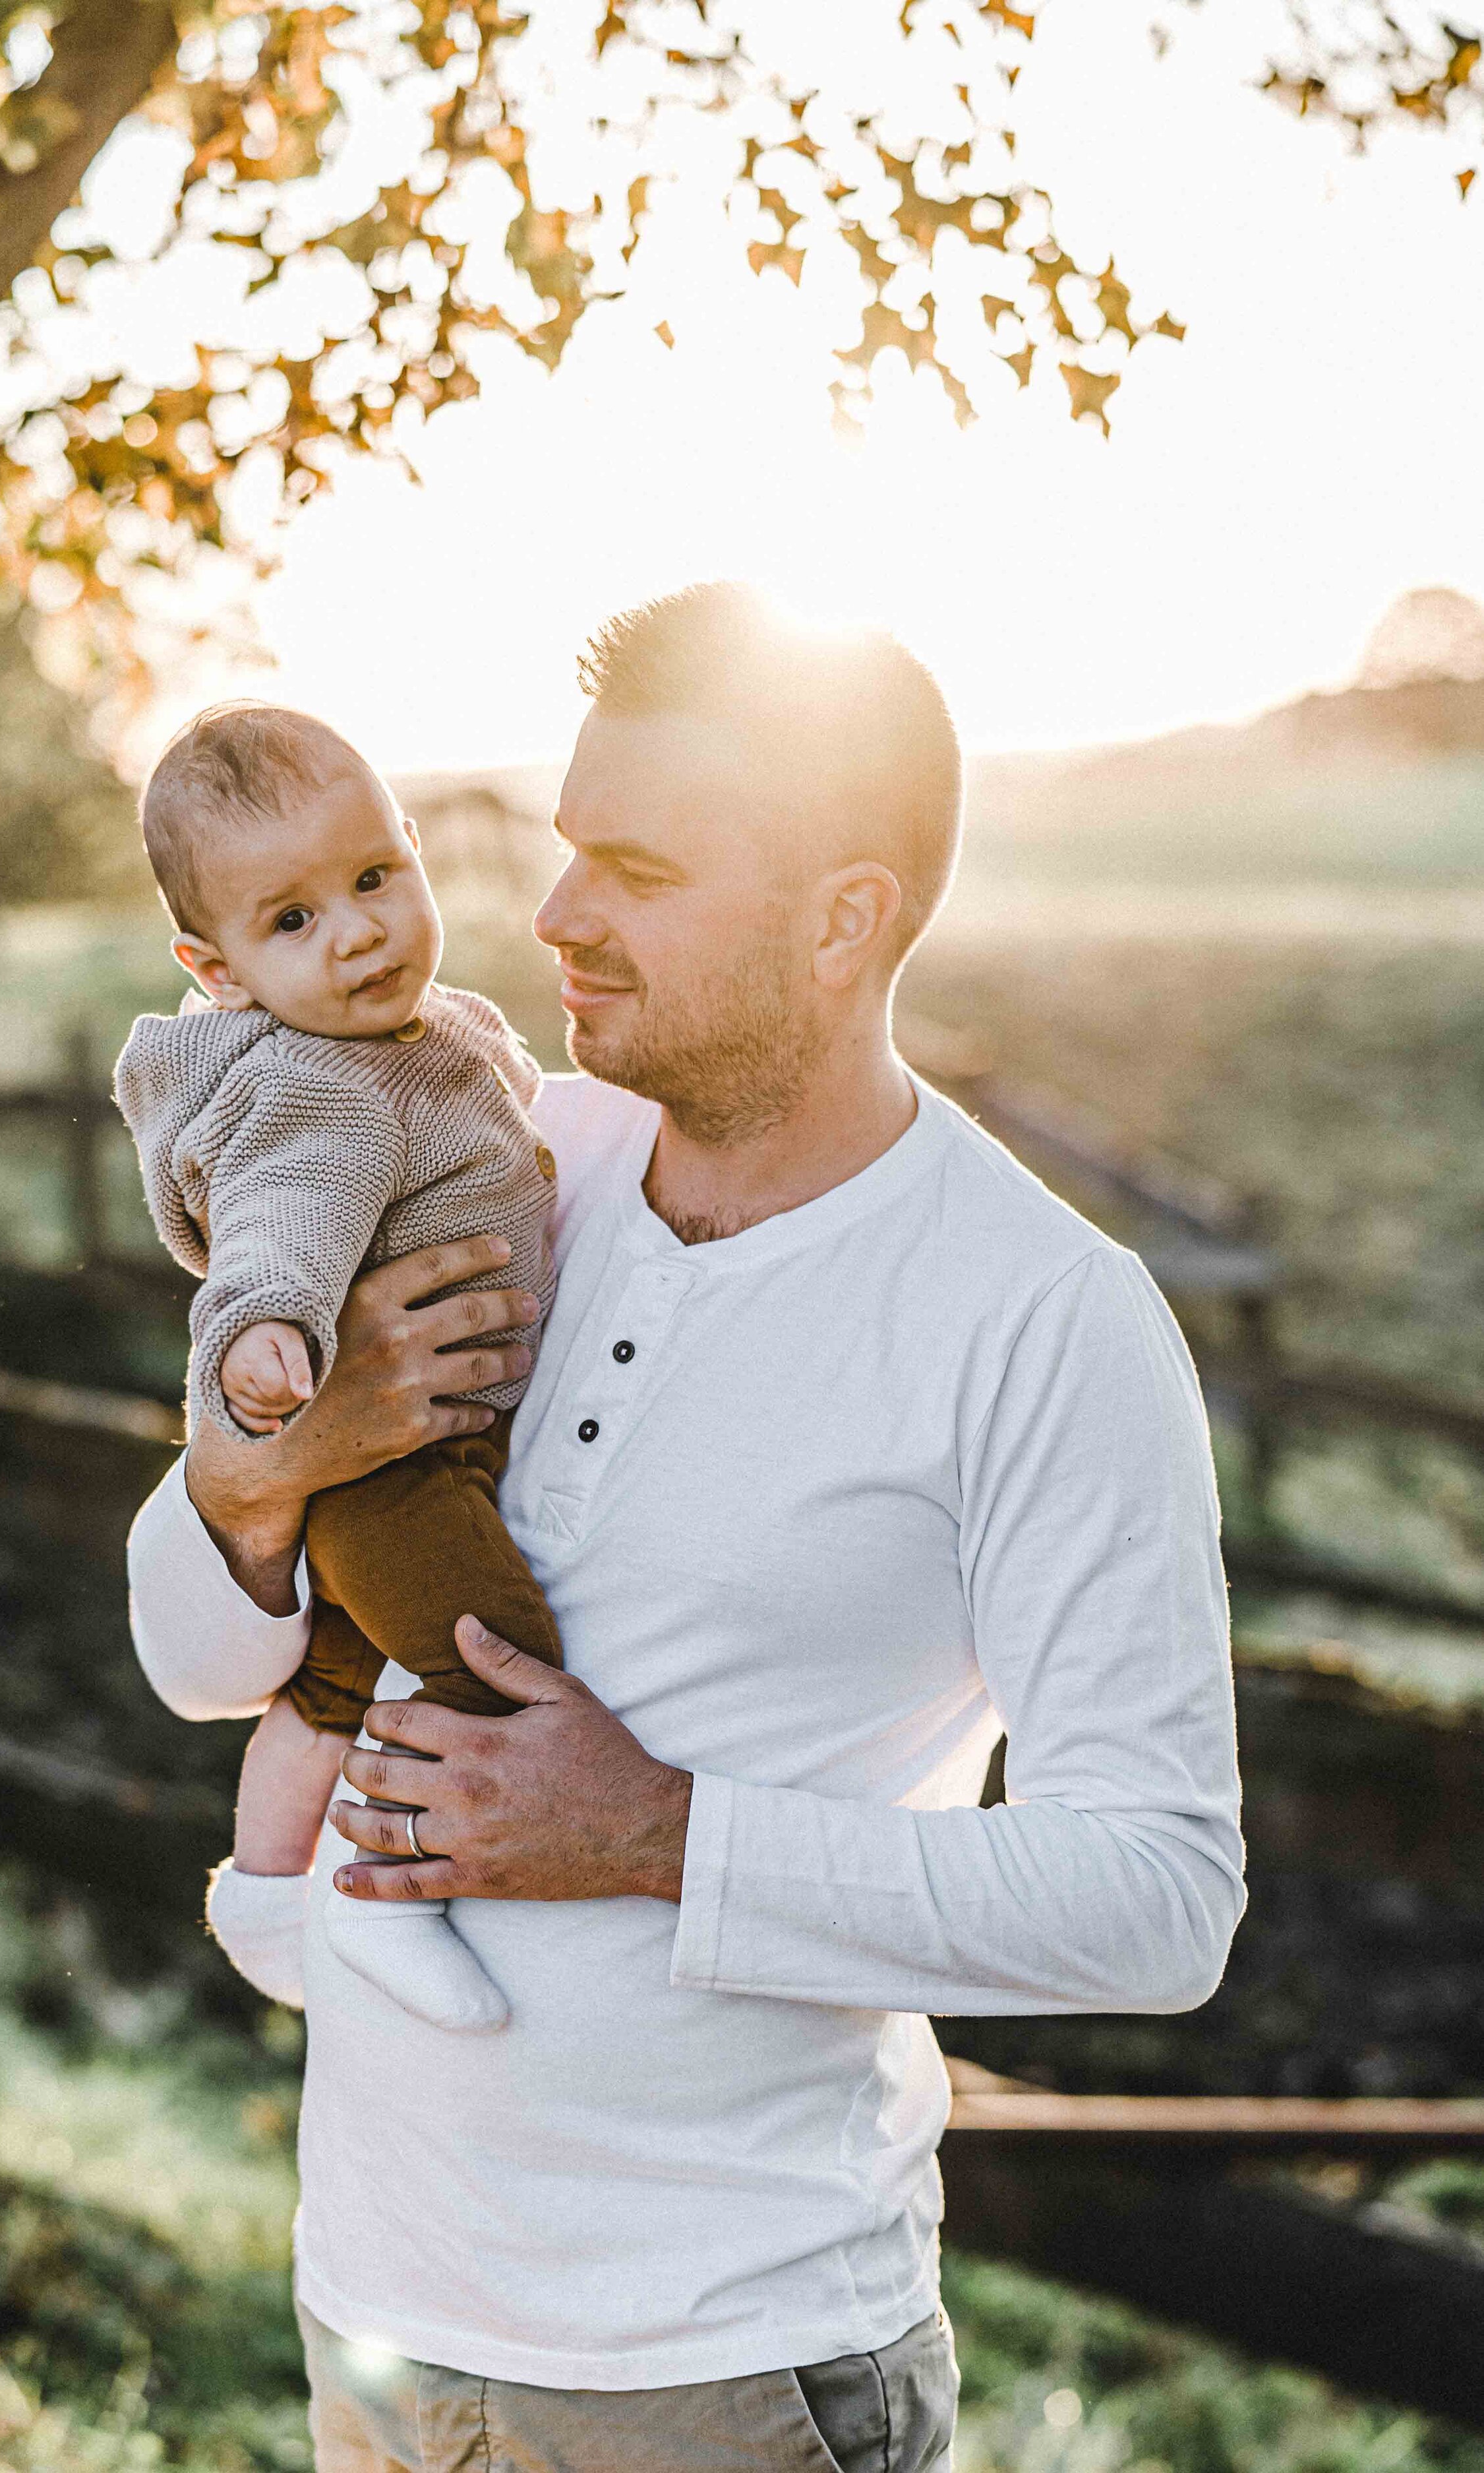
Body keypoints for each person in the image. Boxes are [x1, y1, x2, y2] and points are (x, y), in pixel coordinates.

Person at [128, 582, 1245, 2473]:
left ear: (840, 921)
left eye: (631, 867)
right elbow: (189, 1666)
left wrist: (660, 1835)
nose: (554, 912)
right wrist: (258, 1469)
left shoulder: (1043, 1317)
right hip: (381, 2325)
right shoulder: (493, 1151)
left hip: (720, 2374)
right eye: (566, 850)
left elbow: (1157, 1898)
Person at [115, 702, 560, 2029]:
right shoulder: (318, 1089)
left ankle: (262, 1891)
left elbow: (490, 1096)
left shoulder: (424, 1033)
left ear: (413, 850)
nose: (358, 930)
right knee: (498, 1668)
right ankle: (387, 1897)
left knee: (339, 1678)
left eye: (374, 878)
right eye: (292, 920)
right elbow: (283, 1221)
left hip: (438, 1446)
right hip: (389, 1468)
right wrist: (264, 1334)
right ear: (220, 971)